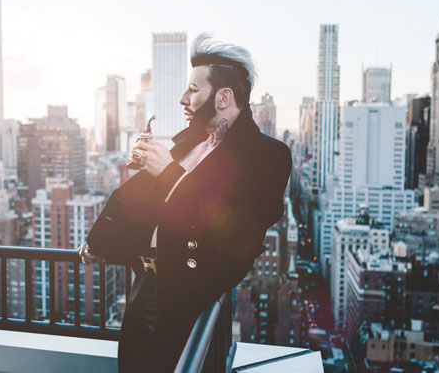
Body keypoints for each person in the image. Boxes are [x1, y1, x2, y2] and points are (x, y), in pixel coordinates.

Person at [82, 34, 292, 372]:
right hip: (145, 287)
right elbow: (133, 199)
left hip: (185, 301)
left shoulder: (268, 155)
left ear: (223, 97)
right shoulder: (187, 145)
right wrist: (99, 243)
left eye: (193, 90)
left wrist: (170, 174)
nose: (183, 99)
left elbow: (238, 233)